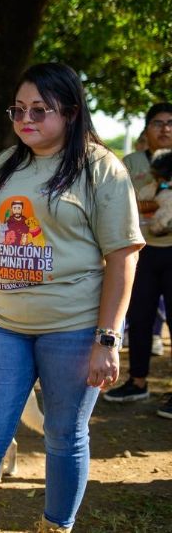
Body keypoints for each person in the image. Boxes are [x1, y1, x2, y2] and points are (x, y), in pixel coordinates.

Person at [0, 62, 143, 533]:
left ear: (70, 113)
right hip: (4, 326)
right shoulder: (5, 165)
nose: (25, 118)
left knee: (63, 435)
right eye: (18, 109)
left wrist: (107, 339)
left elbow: (123, 258)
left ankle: (57, 526)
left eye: (39, 109)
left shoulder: (101, 170)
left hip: (73, 330)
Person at [103, 102, 172, 409]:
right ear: (147, 129)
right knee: (139, 318)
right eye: (158, 123)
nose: (165, 129)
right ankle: (137, 382)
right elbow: (117, 203)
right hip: (140, 253)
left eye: (171, 123)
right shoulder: (129, 162)